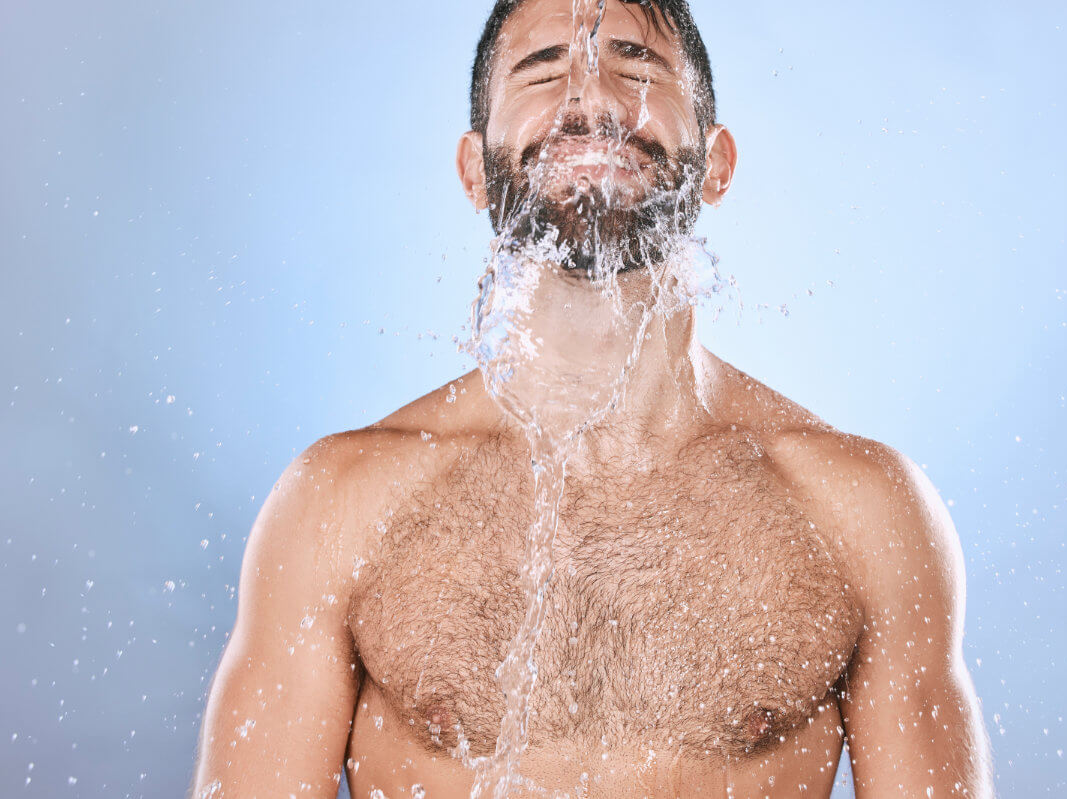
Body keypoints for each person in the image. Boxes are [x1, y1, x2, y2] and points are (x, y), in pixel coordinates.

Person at [189, 1, 995, 797]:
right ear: (474, 170)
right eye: (543, 69)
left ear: (717, 163)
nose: (596, 99)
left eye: (636, 64)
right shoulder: (338, 505)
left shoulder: (864, 513)